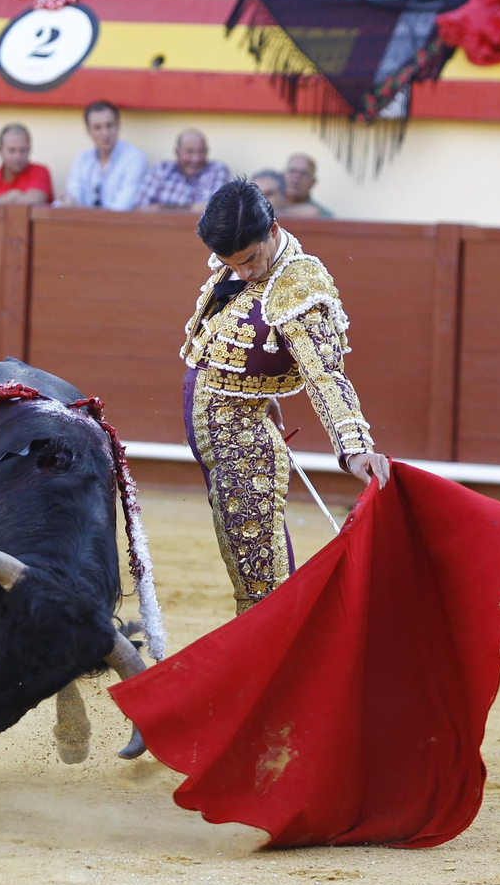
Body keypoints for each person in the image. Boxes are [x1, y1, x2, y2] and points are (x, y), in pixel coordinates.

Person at [180, 177, 390, 613]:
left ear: (273, 230)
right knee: (253, 576)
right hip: (225, 440)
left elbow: (325, 376)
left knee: (261, 589)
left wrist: (355, 449)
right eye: (231, 264)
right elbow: (236, 346)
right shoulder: (246, 260)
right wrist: (262, 388)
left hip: (245, 449)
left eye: (249, 260)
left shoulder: (298, 286)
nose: (242, 273)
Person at [61, 100, 148, 211]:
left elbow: (124, 206)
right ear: (89, 131)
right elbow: (73, 193)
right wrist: (69, 201)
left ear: (118, 125)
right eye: (98, 127)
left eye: (109, 126)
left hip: (119, 222)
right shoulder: (82, 159)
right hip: (83, 220)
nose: (105, 133)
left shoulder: (134, 158)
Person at [133, 128, 232, 210]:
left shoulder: (217, 170)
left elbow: (214, 210)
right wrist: (191, 208)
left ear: (207, 151)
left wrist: (160, 208)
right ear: (177, 153)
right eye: (189, 152)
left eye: (201, 151)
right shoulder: (161, 169)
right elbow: (140, 207)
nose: (196, 158)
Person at [0, 123, 53, 203]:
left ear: (29, 149)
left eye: (23, 150)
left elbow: (35, 201)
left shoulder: (40, 172)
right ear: (0, 150)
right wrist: (12, 197)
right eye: (11, 150)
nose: (18, 156)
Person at [282, 152, 328, 217]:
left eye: (304, 173)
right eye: (292, 171)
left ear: (313, 182)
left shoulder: (324, 217)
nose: (296, 177)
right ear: (282, 175)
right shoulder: (269, 206)